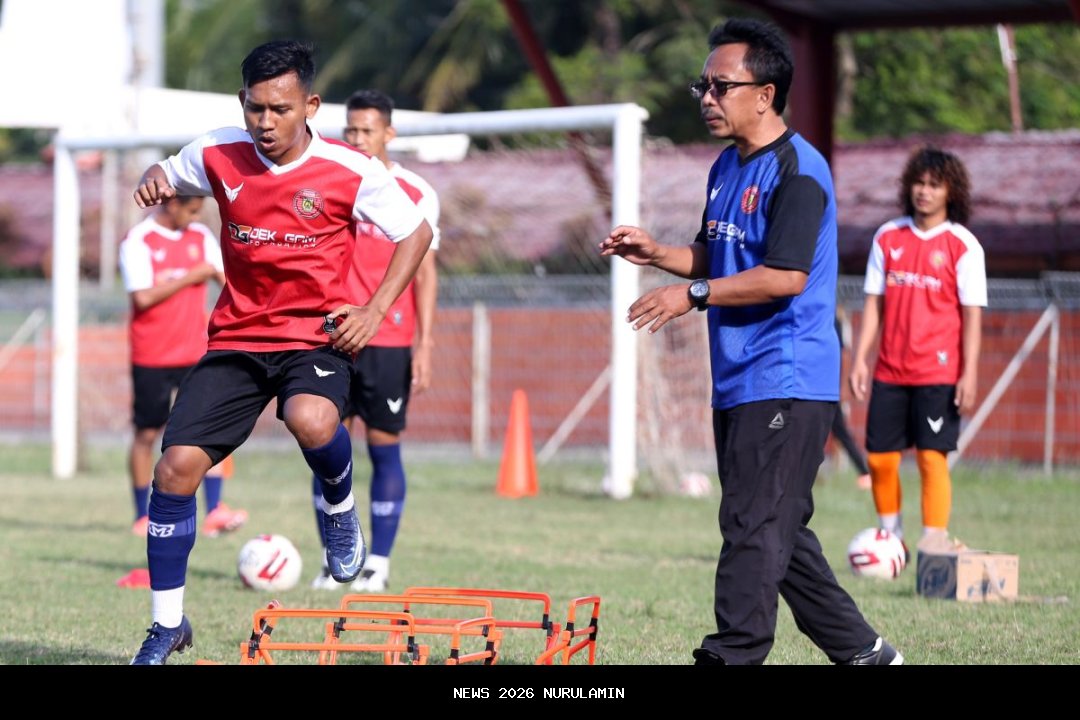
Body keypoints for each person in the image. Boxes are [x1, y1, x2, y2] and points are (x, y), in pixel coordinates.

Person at [599, 18, 901, 665]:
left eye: (720, 86)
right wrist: (660, 254)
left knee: (752, 529)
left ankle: (730, 655)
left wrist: (691, 295)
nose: (706, 98)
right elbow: (721, 254)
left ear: (763, 94)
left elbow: (786, 275)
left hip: (787, 378)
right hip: (738, 378)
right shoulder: (725, 167)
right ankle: (866, 653)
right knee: (777, 532)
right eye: (701, 86)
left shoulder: (800, 170)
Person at [128, 40, 433, 664]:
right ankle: (166, 626)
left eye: (280, 110)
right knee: (174, 468)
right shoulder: (216, 151)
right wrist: (151, 177)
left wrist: (374, 309)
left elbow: (416, 231)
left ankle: (341, 511)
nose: (265, 123)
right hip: (237, 337)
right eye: (255, 108)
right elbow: (164, 173)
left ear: (310, 106)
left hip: (312, 336)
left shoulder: (351, 169)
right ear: (242, 103)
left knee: (311, 418)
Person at [309, 89, 441, 593]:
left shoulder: (416, 191)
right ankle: (334, 557)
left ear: (389, 133)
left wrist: (424, 345)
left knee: (384, 448)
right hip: (332, 335)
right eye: (351, 129)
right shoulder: (331, 176)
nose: (357, 138)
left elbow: (426, 274)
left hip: (388, 338)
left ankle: (378, 561)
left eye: (367, 130)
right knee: (324, 446)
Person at [849, 146, 986, 552]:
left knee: (931, 458)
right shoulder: (888, 236)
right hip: (890, 369)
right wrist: (859, 358)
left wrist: (970, 371)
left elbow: (972, 314)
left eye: (934, 185)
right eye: (919, 184)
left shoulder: (963, 245)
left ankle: (933, 542)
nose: (924, 192)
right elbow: (874, 302)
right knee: (879, 460)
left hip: (938, 373)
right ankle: (890, 537)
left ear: (950, 192)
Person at [118, 196, 248, 539]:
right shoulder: (138, 241)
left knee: (211, 428)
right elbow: (142, 297)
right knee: (147, 434)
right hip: (152, 355)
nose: (195, 216)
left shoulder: (201, 237)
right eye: (191, 210)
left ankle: (216, 510)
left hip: (196, 353)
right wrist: (193, 276)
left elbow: (227, 282)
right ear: (171, 203)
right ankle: (140, 515)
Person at [831, 306, 872, 490]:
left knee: (840, 431)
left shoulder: (831, 319)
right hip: (813, 386)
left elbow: (844, 354)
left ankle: (865, 472)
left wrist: (842, 387)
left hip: (828, 389)